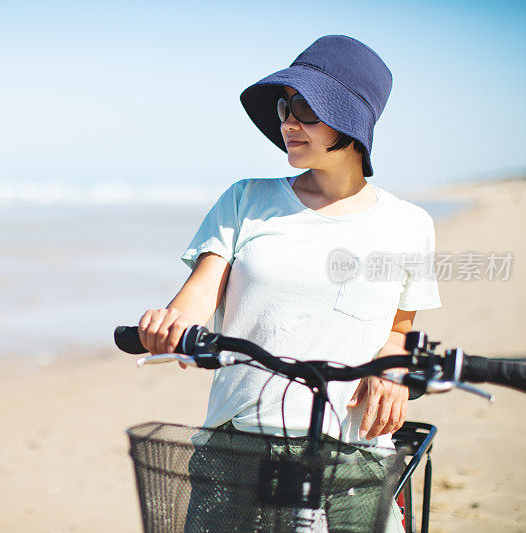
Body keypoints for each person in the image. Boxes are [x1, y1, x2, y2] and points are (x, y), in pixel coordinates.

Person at [136, 34, 441, 531]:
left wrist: (392, 373)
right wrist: (170, 323)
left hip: (352, 446)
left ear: (351, 122)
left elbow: (399, 330)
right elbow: (198, 294)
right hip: (239, 439)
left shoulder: (409, 225)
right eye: (284, 106)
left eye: (306, 107)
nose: (287, 122)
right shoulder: (246, 199)